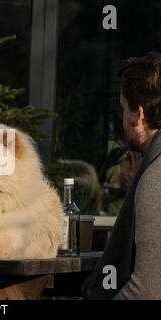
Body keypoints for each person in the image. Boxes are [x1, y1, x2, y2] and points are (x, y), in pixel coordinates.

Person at [82, 51, 161, 299]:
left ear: (138, 114)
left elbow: (147, 291)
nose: (123, 119)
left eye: (124, 109)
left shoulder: (156, 178)